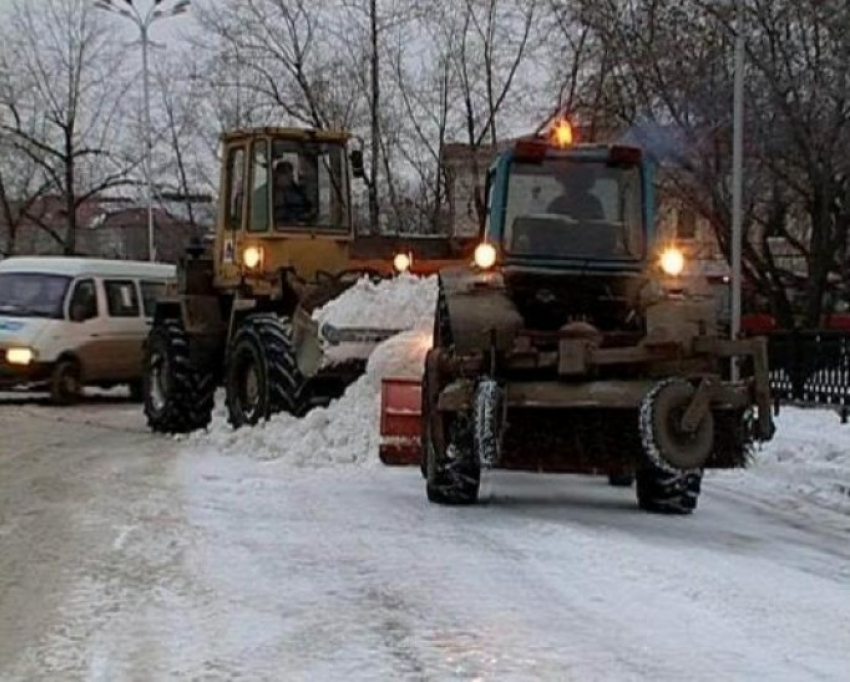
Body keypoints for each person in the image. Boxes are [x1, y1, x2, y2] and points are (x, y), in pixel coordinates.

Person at [273, 160, 314, 224]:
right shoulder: (272, 194)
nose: (291, 177)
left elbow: (307, 205)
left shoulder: (297, 190)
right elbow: (279, 213)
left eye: (291, 174)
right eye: (287, 174)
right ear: (278, 175)